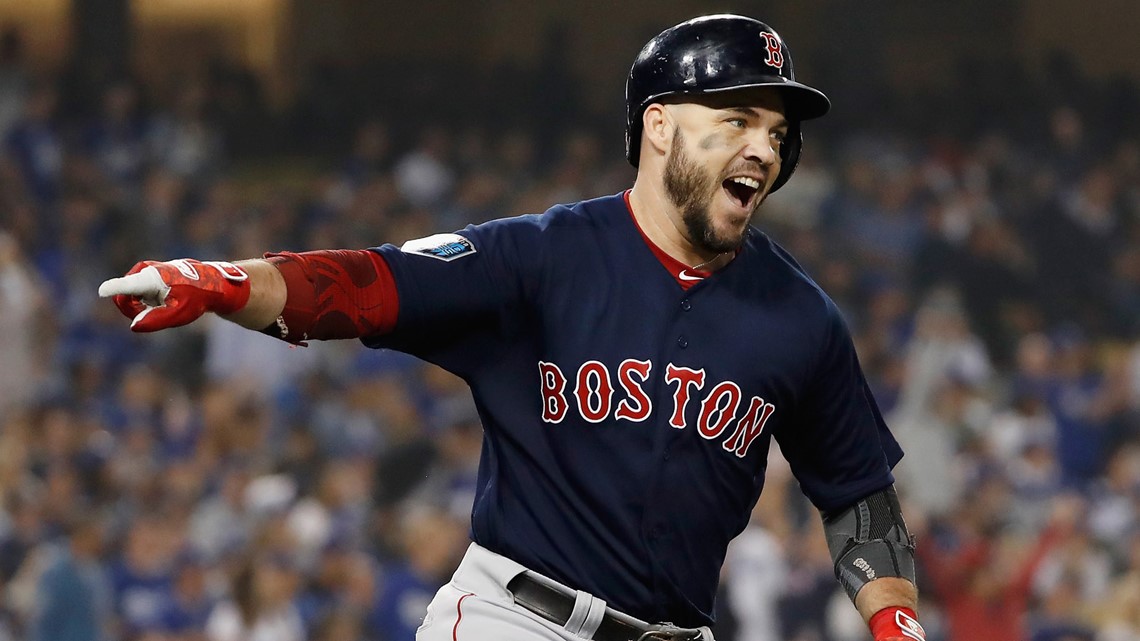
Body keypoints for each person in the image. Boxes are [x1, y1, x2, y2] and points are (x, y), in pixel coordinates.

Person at [99, 14, 922, 641]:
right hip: (518, 620)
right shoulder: (543, 256)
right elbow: (369, 283)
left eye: (777, 133)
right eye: (737, 120)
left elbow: (859, 497)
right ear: (661, 125)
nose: (765, 149)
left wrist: (895, 623)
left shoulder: (801, 316)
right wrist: (228, 280)